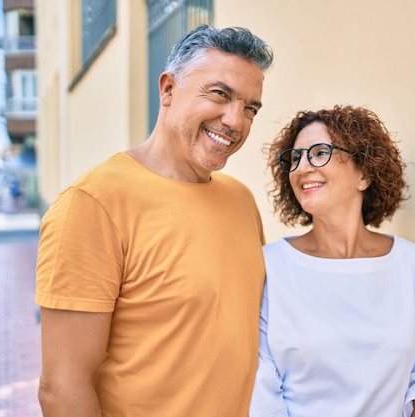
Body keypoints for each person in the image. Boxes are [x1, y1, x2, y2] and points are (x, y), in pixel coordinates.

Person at [35, 25, 273, 417]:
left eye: (250, 108)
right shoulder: (93, 204)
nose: (236, 121)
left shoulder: (241, 200)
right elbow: (62, 388)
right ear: (167, 90)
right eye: (219, 94)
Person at [249, 105, 415, 417]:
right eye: (295, 158)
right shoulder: (269, 266)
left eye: (318, 153)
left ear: (365, 174)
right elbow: (261, 390)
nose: (301, 168)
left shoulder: (409, 263)